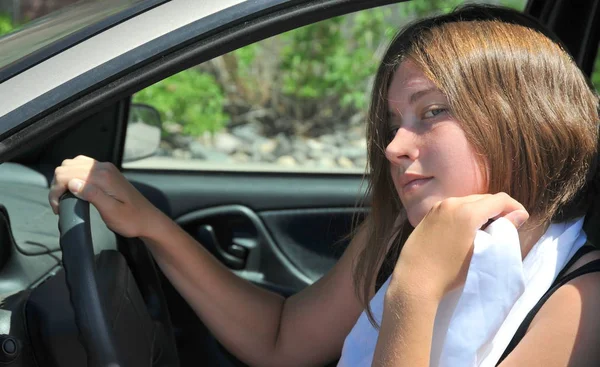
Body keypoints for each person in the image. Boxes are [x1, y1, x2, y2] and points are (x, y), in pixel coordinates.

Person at [48, 4, 600, 366]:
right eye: (391, 124)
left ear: (522, 119)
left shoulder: (581, 300)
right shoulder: (402, 235)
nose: (394, 147)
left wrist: (416, 288)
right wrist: (150, 225)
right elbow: (281, 340)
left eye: (432, 112)